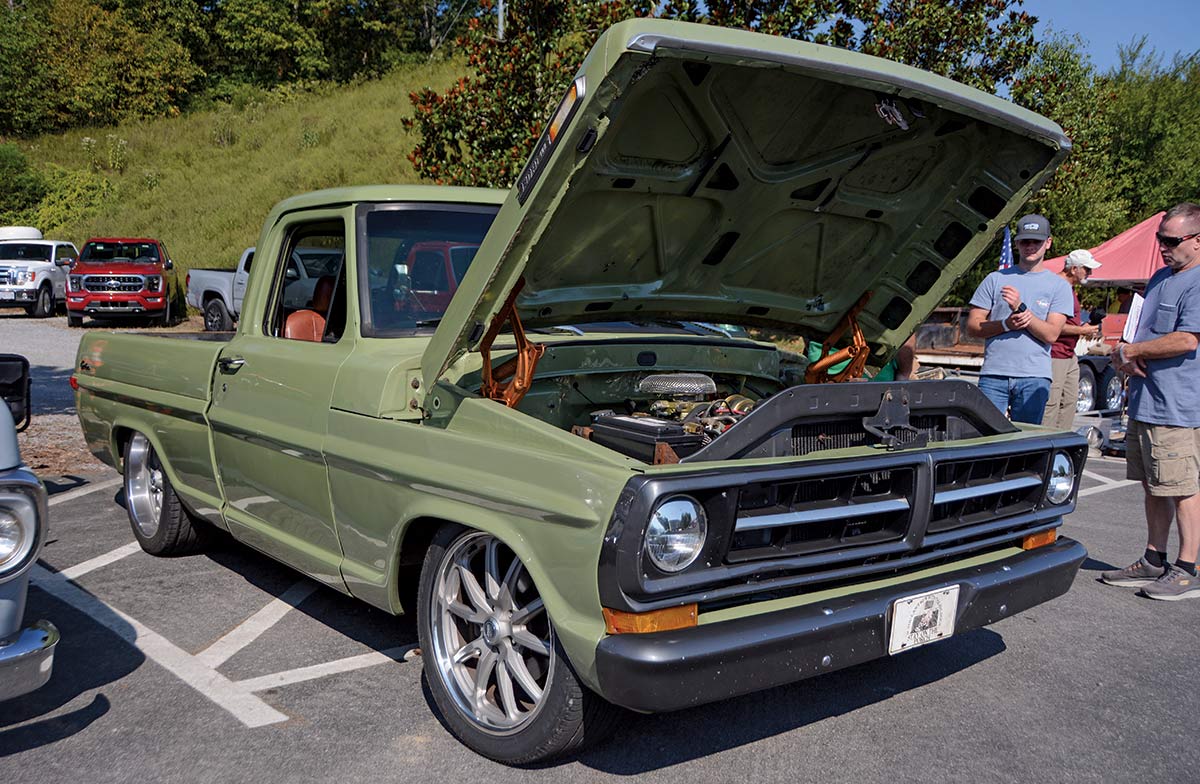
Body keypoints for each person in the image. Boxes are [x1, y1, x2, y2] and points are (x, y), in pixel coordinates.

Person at [1103, 202, 1200, 600]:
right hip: (1146, 401)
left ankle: (1187, 567)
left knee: (1182, 488)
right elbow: (1139, 336)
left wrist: (1134, 350)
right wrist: (1124, 354)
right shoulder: (1161, 277)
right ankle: (1153, 558)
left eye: (1171, 240)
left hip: (1176, 407)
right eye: (1160, 238)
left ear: (1197, 241)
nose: (1162, 246)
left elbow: (1187, 338)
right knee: (1153, 485)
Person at [966, 214, 1073, 424]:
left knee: (1026, 442)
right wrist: (1005, 324)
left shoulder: (1059, 286)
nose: (1030, 246)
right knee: (986, 438)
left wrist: (1020, 309)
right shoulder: (995, 279)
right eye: (1025, 241)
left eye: (1037, 241)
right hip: (994, 375)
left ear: (1048, 243)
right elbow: (972, 326)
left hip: (1034, 378)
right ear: (1016, 243)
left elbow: (1051, 334)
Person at [1042, 249, 1102, 430]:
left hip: (1068, 354)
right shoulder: (1055, 286)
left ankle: (1061, 442)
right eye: (1087, 269)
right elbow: (1051, 325)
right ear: (1074, 269)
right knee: (1051, 403)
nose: (1089, 273)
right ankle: (1044, 441)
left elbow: (1065, 321)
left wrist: (1081, 327)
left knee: (1069, 400)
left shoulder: (1069, 288)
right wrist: (1081, 330)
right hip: (1055, 353)